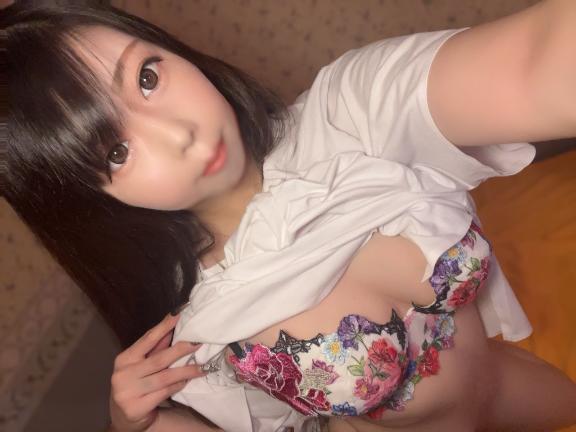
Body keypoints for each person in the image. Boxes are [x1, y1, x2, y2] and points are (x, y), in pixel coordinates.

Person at [1, 1, 575, 431]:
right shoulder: (199, 327)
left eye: (147, 77)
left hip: (522, 387)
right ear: (92, 200)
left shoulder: (348, 116)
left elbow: (534, 64)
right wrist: (133, 425)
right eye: (116, 152)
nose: (180, 134)